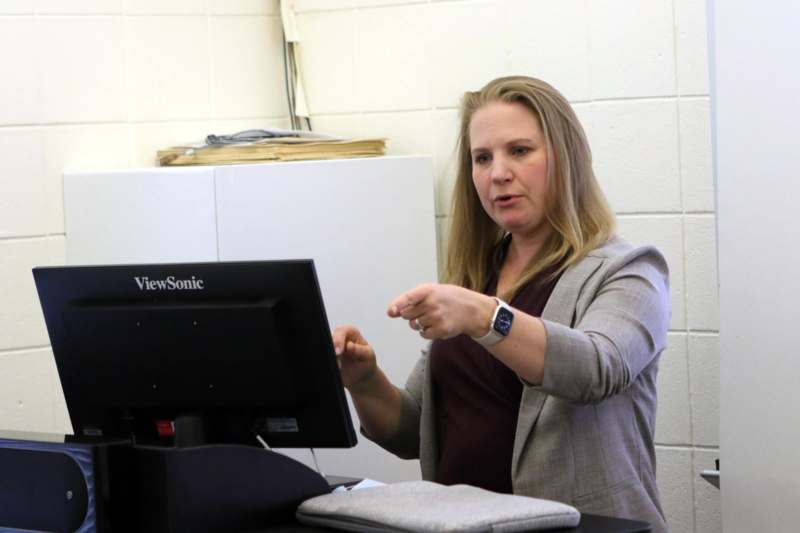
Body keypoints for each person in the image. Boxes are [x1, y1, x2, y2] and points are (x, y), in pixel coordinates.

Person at [332, 76, 670, 533]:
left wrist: (485, 317)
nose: (498, 174)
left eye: (520, 151)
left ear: (566, 159)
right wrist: (365, 381)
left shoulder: (628, 270)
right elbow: (418, 432)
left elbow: (596, 369)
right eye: (482, 158)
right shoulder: (477, 278)